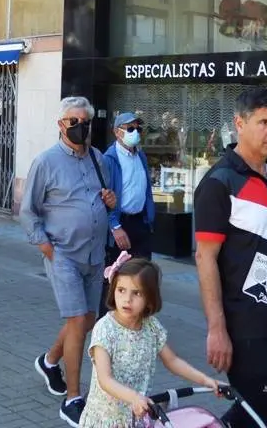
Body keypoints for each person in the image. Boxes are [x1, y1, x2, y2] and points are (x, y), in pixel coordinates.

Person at [194, 87, 267, 428]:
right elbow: (205, 258)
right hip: (245, 327)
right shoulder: (219, 183)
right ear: (239, 123)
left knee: (252, 414)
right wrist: (216, 329)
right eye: (264, 122)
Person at [21, 96, 117, 427]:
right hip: (63, 253)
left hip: (95, 254)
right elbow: (28, 211)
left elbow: (104, 200)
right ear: (61, 125)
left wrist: (110, 202)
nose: (80, 127)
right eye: (73, 122)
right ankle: (73, 398)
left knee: (87, 319)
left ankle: (49, 361)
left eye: (84, 122)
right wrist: (46, 248)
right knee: (78, 320)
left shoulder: (98, 159)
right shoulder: (46, 161)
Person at [79, 254, 220, 427]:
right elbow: (105, 379)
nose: (127, 299)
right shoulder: (105, 329)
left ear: (149, 298)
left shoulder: (151, 327)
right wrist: (134, 397)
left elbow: (172, 361)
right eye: (121, 290)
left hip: (136, 417)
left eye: (136, 293)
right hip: (105, 420)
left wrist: (205, 380)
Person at [100, 111, 155, 317]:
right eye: (130, 129)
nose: (135, 133)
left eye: (138, 129)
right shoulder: (109, 160)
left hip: (140, 222)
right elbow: (104, 196)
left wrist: (149, 218)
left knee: (142, 278)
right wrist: (114, 226)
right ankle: (107, 325)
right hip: (120, 224)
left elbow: (146, 189)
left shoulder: (140, 156)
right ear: (117, 132)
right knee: (115, 279)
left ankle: (137, 322)